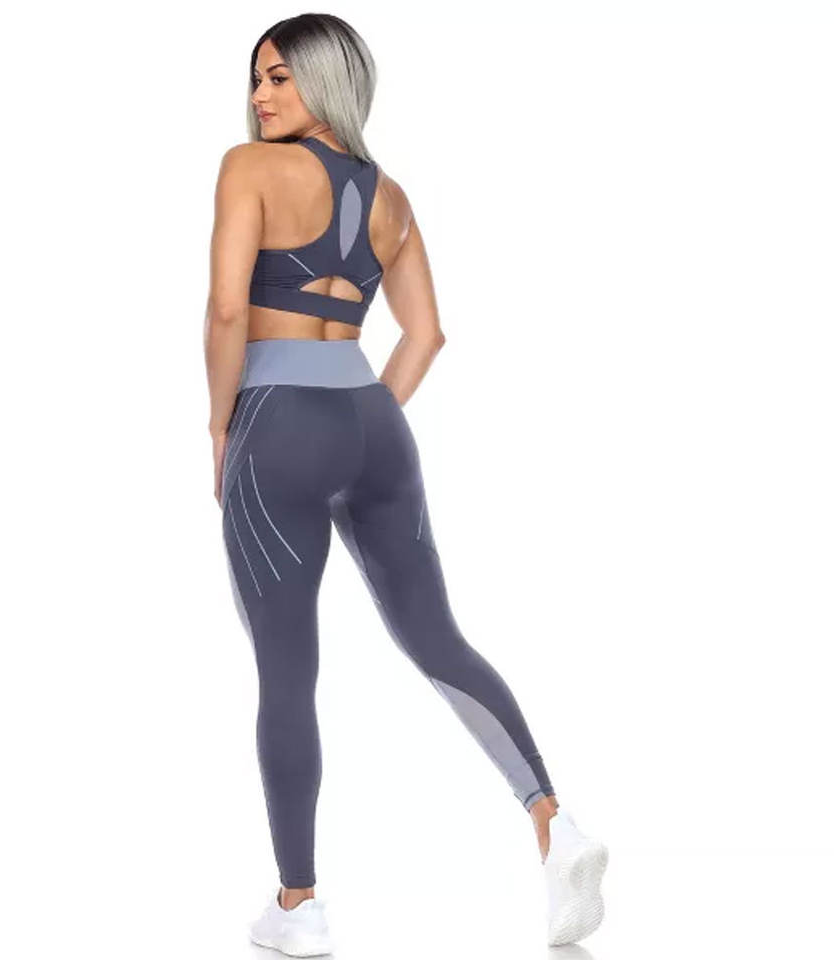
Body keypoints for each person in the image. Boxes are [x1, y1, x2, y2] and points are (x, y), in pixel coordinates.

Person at [204, 14, 608, 957]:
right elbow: (425, 334)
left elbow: (227, 309)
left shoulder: (248, 167)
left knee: (286, 669)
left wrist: (222, 427)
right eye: (256, 78)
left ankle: (299, 904)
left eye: (280, 77)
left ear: (327, 80)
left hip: (276, 423)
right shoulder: (390, 197)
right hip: (374, 425)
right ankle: (553, 822)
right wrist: (359, 421)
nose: (260, 96)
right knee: (438, 640)